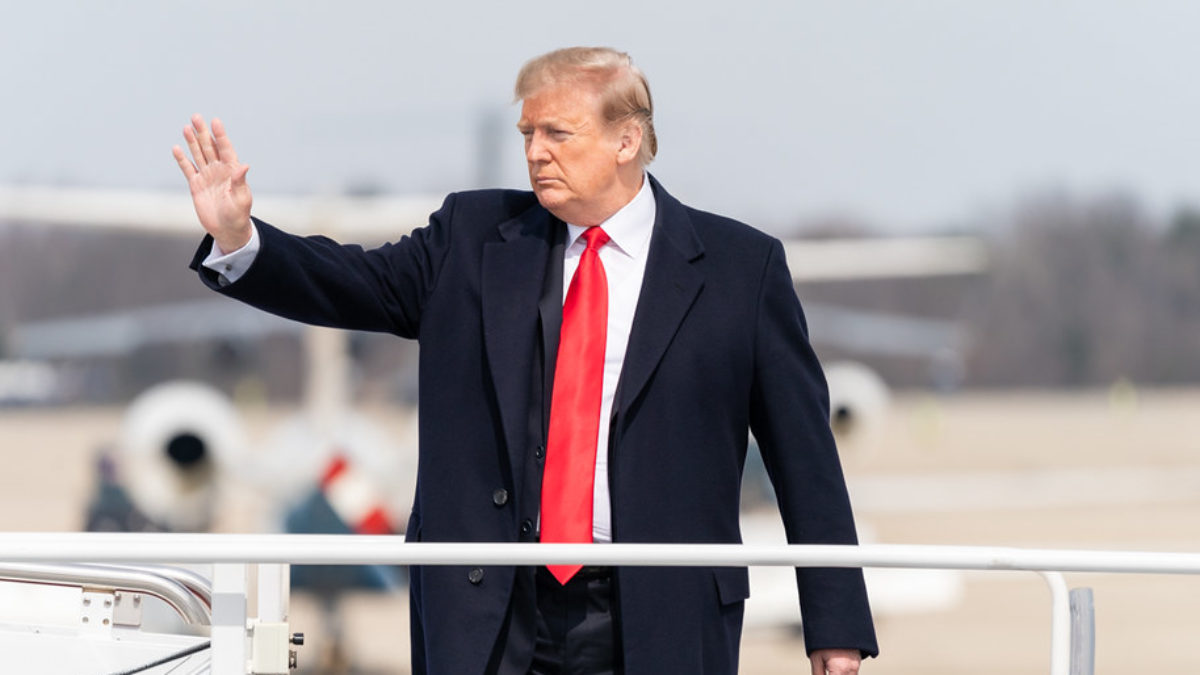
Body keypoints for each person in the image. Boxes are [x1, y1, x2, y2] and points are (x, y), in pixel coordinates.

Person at [174, 47, 878, 675]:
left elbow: (804, 456)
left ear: (627, 139)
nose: (536, 152)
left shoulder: (740, 269)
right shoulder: (472, 238)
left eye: (557, 134)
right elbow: (352, 281)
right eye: (527, 135)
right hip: (490, 611)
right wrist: (240, 236)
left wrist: (836, 626)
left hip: (659, 611)